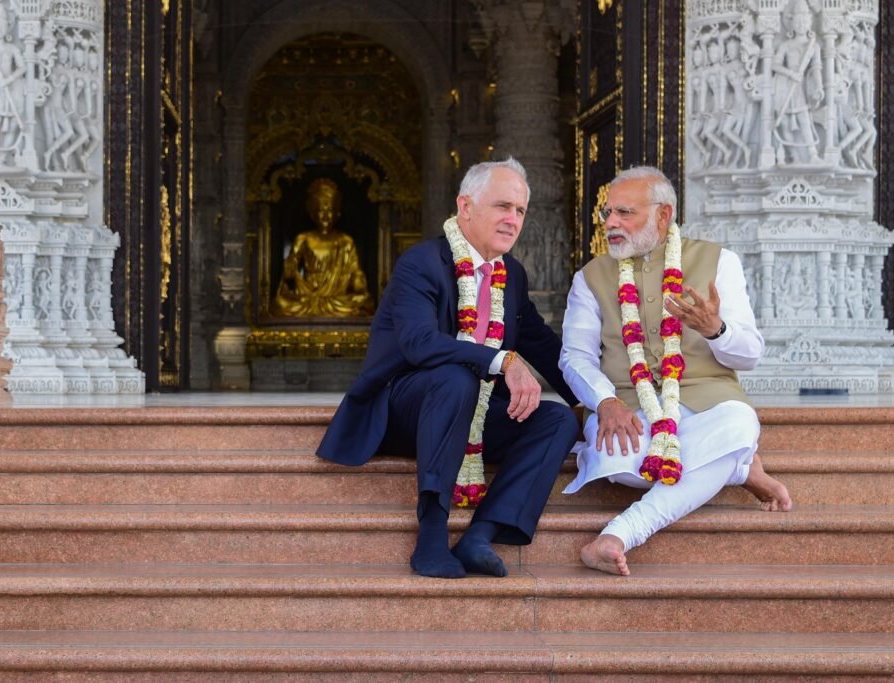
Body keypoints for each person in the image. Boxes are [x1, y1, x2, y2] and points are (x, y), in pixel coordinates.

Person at [318, 158, 579, 579]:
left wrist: (602, 402)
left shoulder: (510, 274)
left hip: (473, 414)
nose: (513, 219)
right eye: (502, 206)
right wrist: (502, 361)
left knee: (555, 419)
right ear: (466, 207)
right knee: (456, 378)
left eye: (520, 211)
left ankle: (481, 535)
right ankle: (432, 536)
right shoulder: (421, 263)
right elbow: (420, 344)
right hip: (405, 409)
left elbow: (544, 347)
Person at [560, 166, 791, 577]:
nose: (611, 223)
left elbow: (750, 354)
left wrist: (714, 330)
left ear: (662, 216)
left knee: (739, 424)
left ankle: (619, 534)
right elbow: (575, 357)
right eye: (607, 213)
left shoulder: (718, 261)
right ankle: (738, 467)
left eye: (624, 213)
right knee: (623, 463)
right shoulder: (590, 277)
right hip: (628, 408)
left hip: (708, 402)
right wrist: (606, 402)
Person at [272, 178, 374, 318]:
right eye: (321, 210)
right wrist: (290, 269)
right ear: (313, 213)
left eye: (330, 210)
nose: (326, 215)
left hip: (337, 299)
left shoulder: (345, 241)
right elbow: (290, 271)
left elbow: (355, 270)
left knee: (365, 302)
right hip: (307, 297)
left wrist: (358, 282)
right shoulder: (303, 239)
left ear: (337, 213)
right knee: (279, 304)